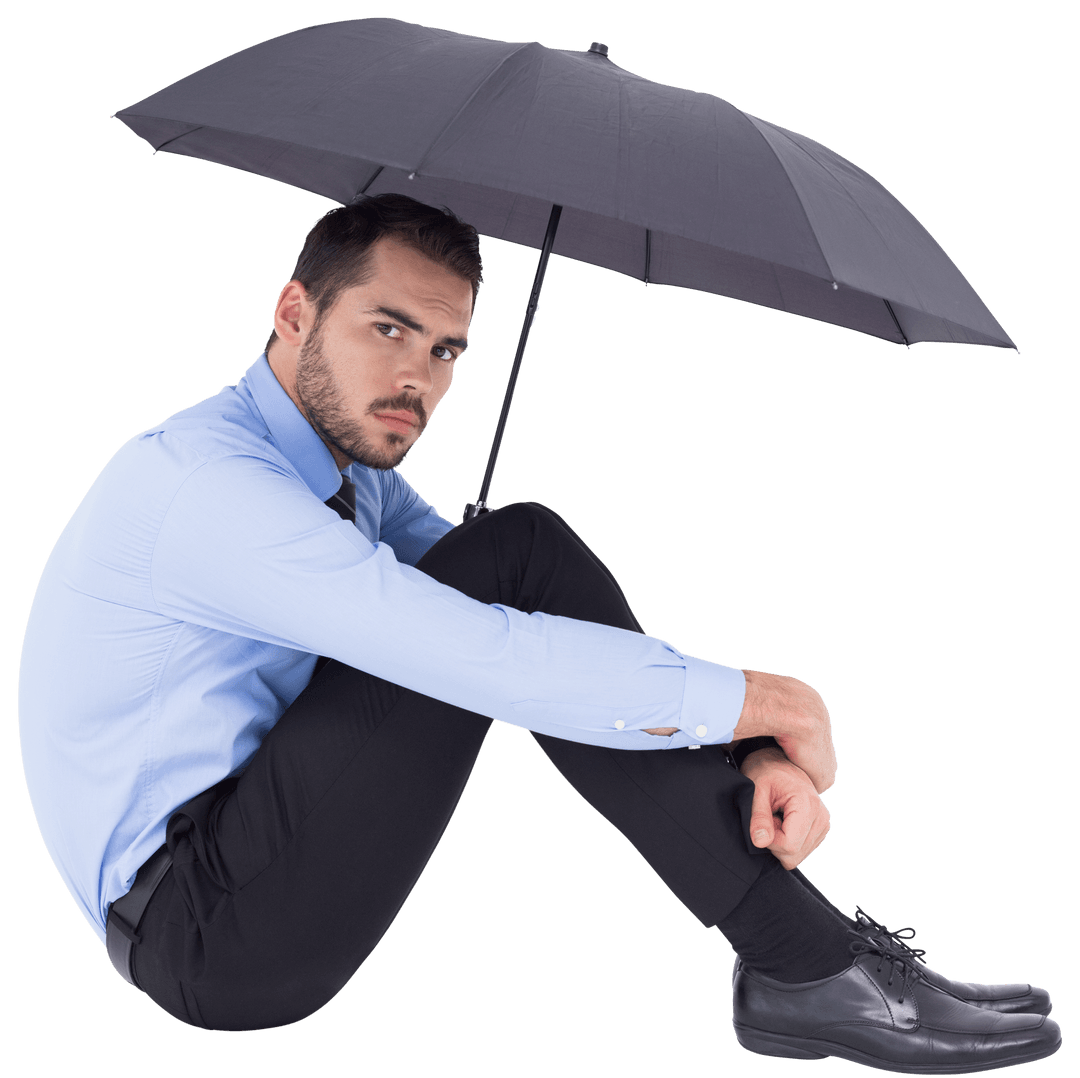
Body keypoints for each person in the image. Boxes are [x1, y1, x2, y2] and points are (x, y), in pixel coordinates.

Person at [18, 194, 1060, 1071]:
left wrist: (741, 748)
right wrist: (775, 704)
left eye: (445, 348)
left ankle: (807, 960)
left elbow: (519, 608)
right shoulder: (210, 487)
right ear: (295, 314)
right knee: (517, 555)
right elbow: (480, 651)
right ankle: (804, 960)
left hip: (245, 868)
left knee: (520, 552)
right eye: (387, 329)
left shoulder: (342, 476)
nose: (417, 378)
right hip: (208, 931)